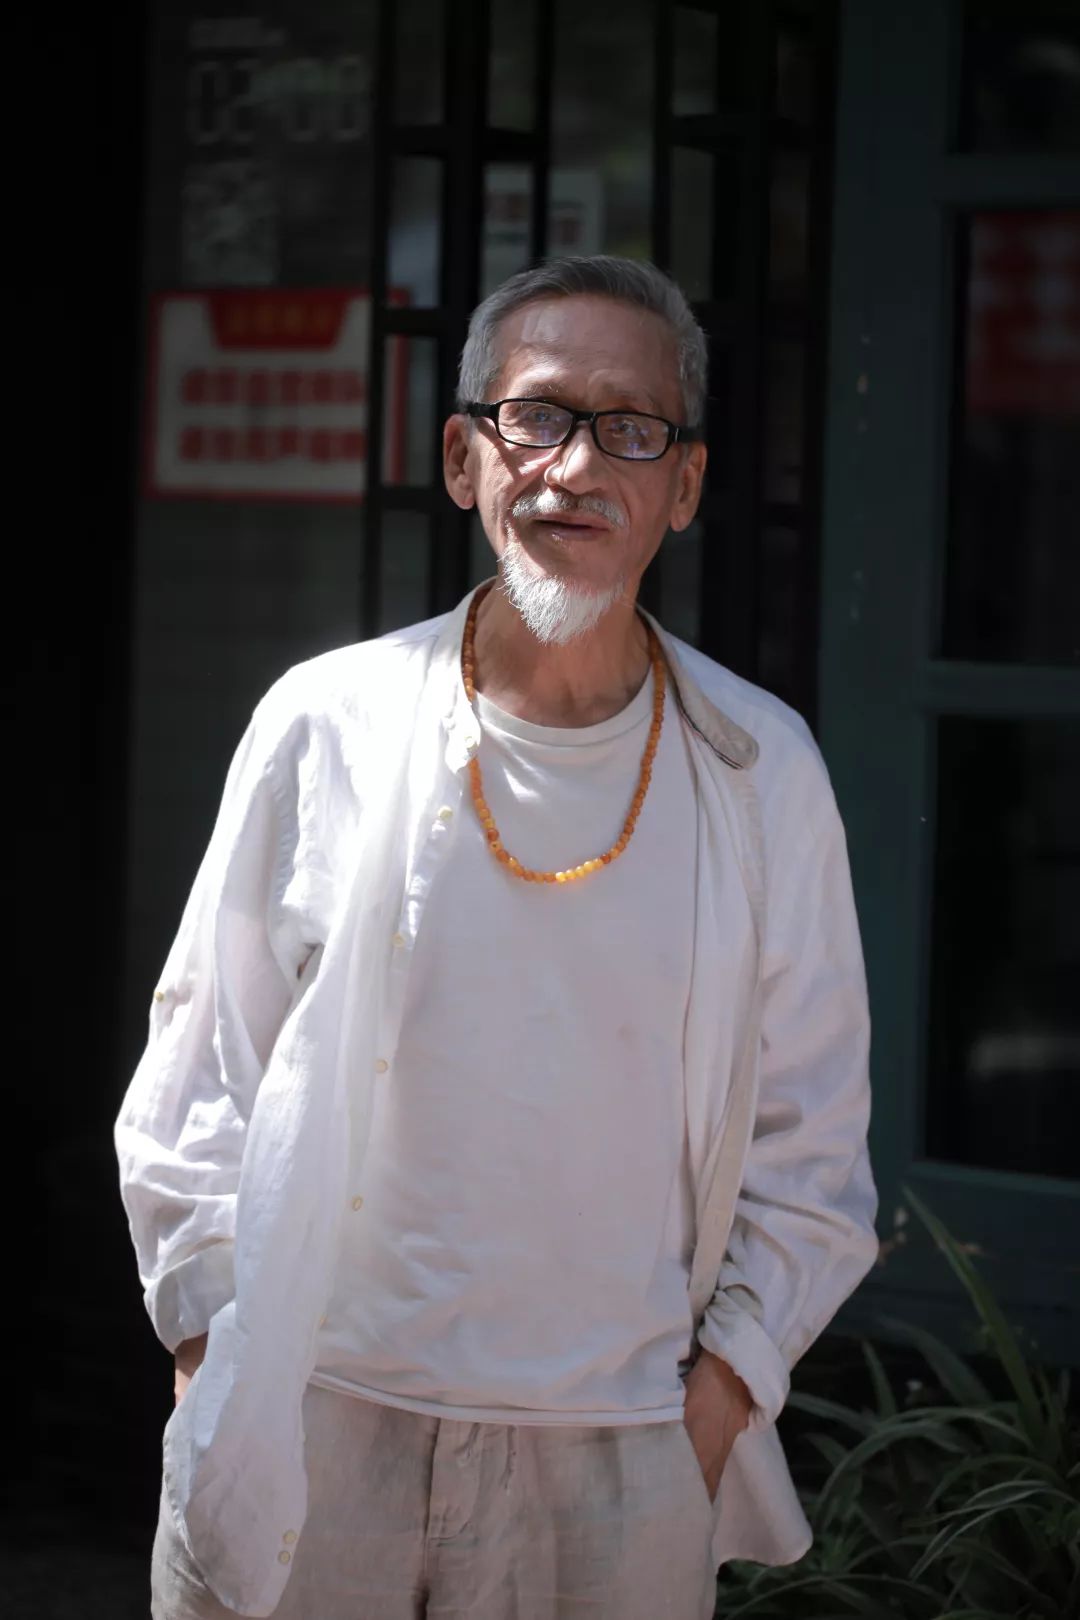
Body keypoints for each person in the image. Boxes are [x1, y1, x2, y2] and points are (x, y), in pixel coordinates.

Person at [116, 254, 877, 1620]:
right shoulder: (328, 720)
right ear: (465, 459)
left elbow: (813, 1143)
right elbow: (201, 1069)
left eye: (630, 428)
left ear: (686, 486)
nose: (573, 468)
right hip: (313, 1424)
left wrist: (712, 1406)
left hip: (620, 1456)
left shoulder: (760, 768)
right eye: (536, 418)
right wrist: (209, 1356)